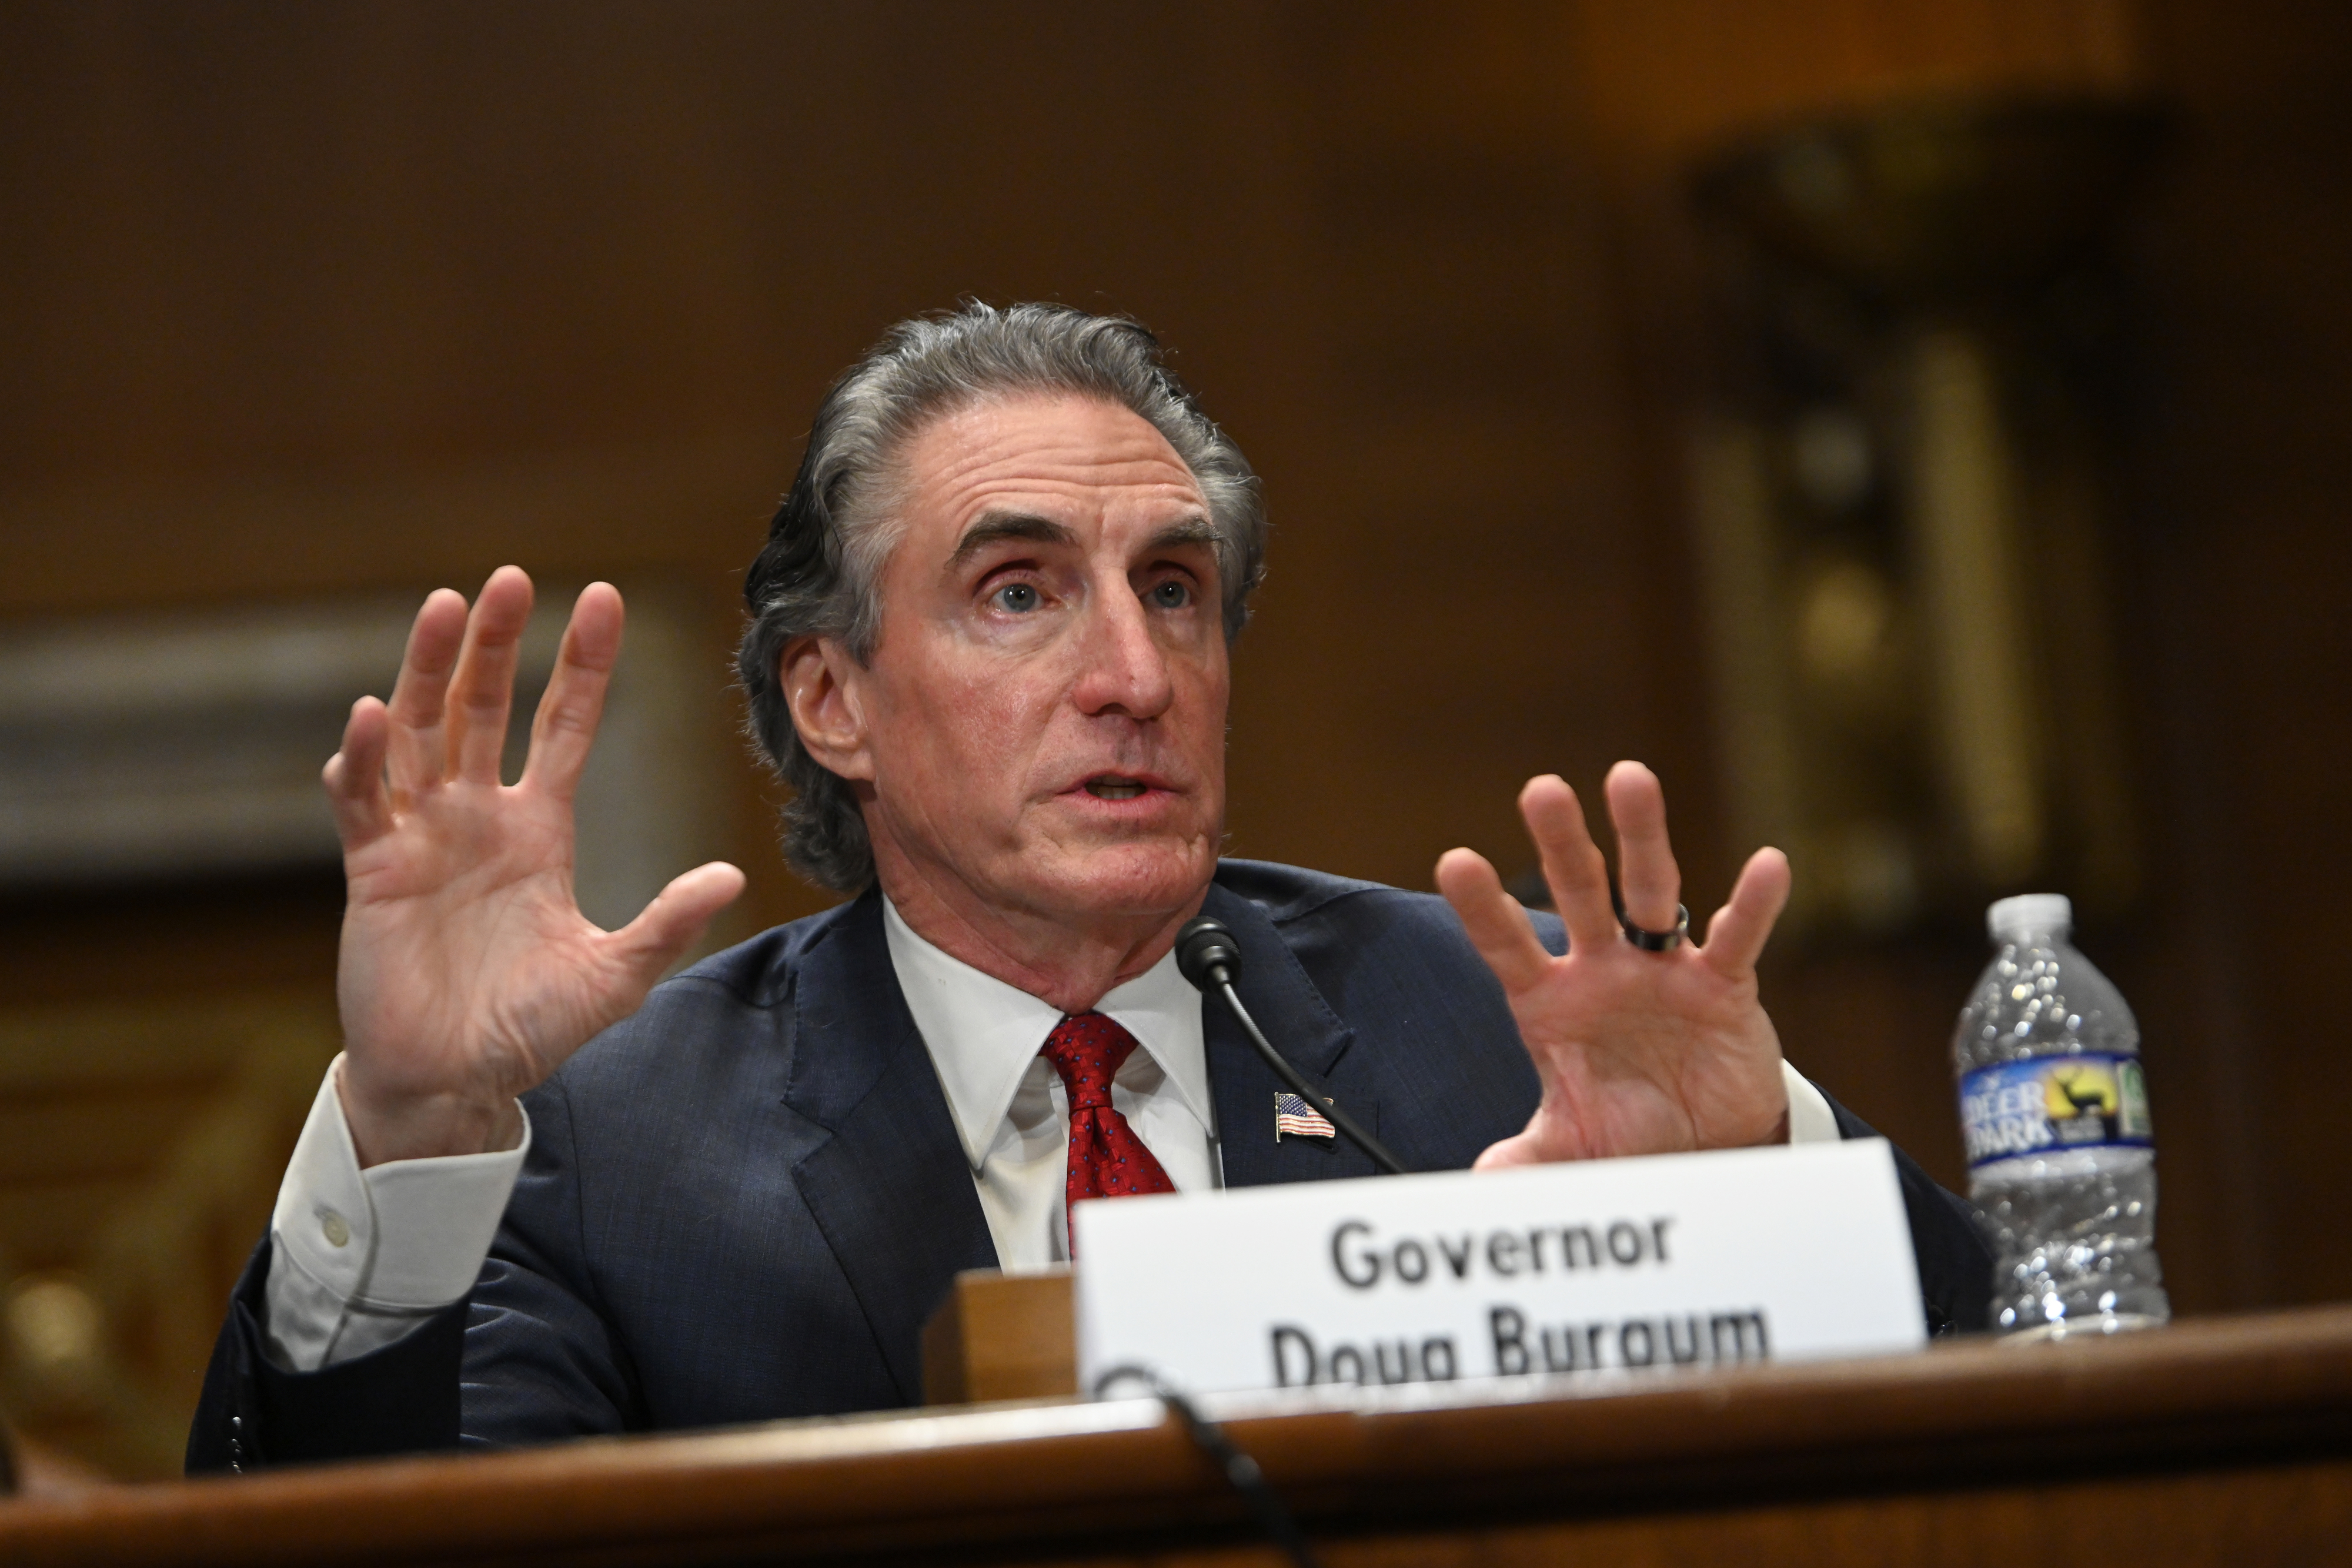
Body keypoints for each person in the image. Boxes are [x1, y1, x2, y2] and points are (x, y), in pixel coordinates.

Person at [187, 304, 1989, 1473]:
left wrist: (1765, 1176)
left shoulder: (1497, 1022)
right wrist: (419, 1121)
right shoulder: (611, 1145)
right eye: (1020, 592)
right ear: (834, 698)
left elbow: (2021, 1415)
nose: (1133, 668)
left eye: (1179, 588)